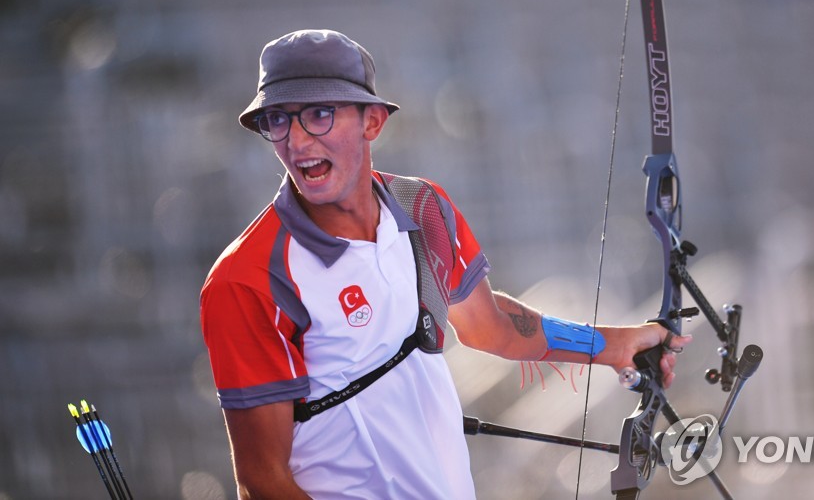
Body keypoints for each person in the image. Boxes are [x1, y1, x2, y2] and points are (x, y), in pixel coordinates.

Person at [200, 29, 691, 499]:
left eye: (320, 113)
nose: (298, 141)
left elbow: (491, 327)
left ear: (373, 122)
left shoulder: (421, 207)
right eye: (278, 120)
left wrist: (615, 345)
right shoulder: (247, 279)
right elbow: (261, 482)